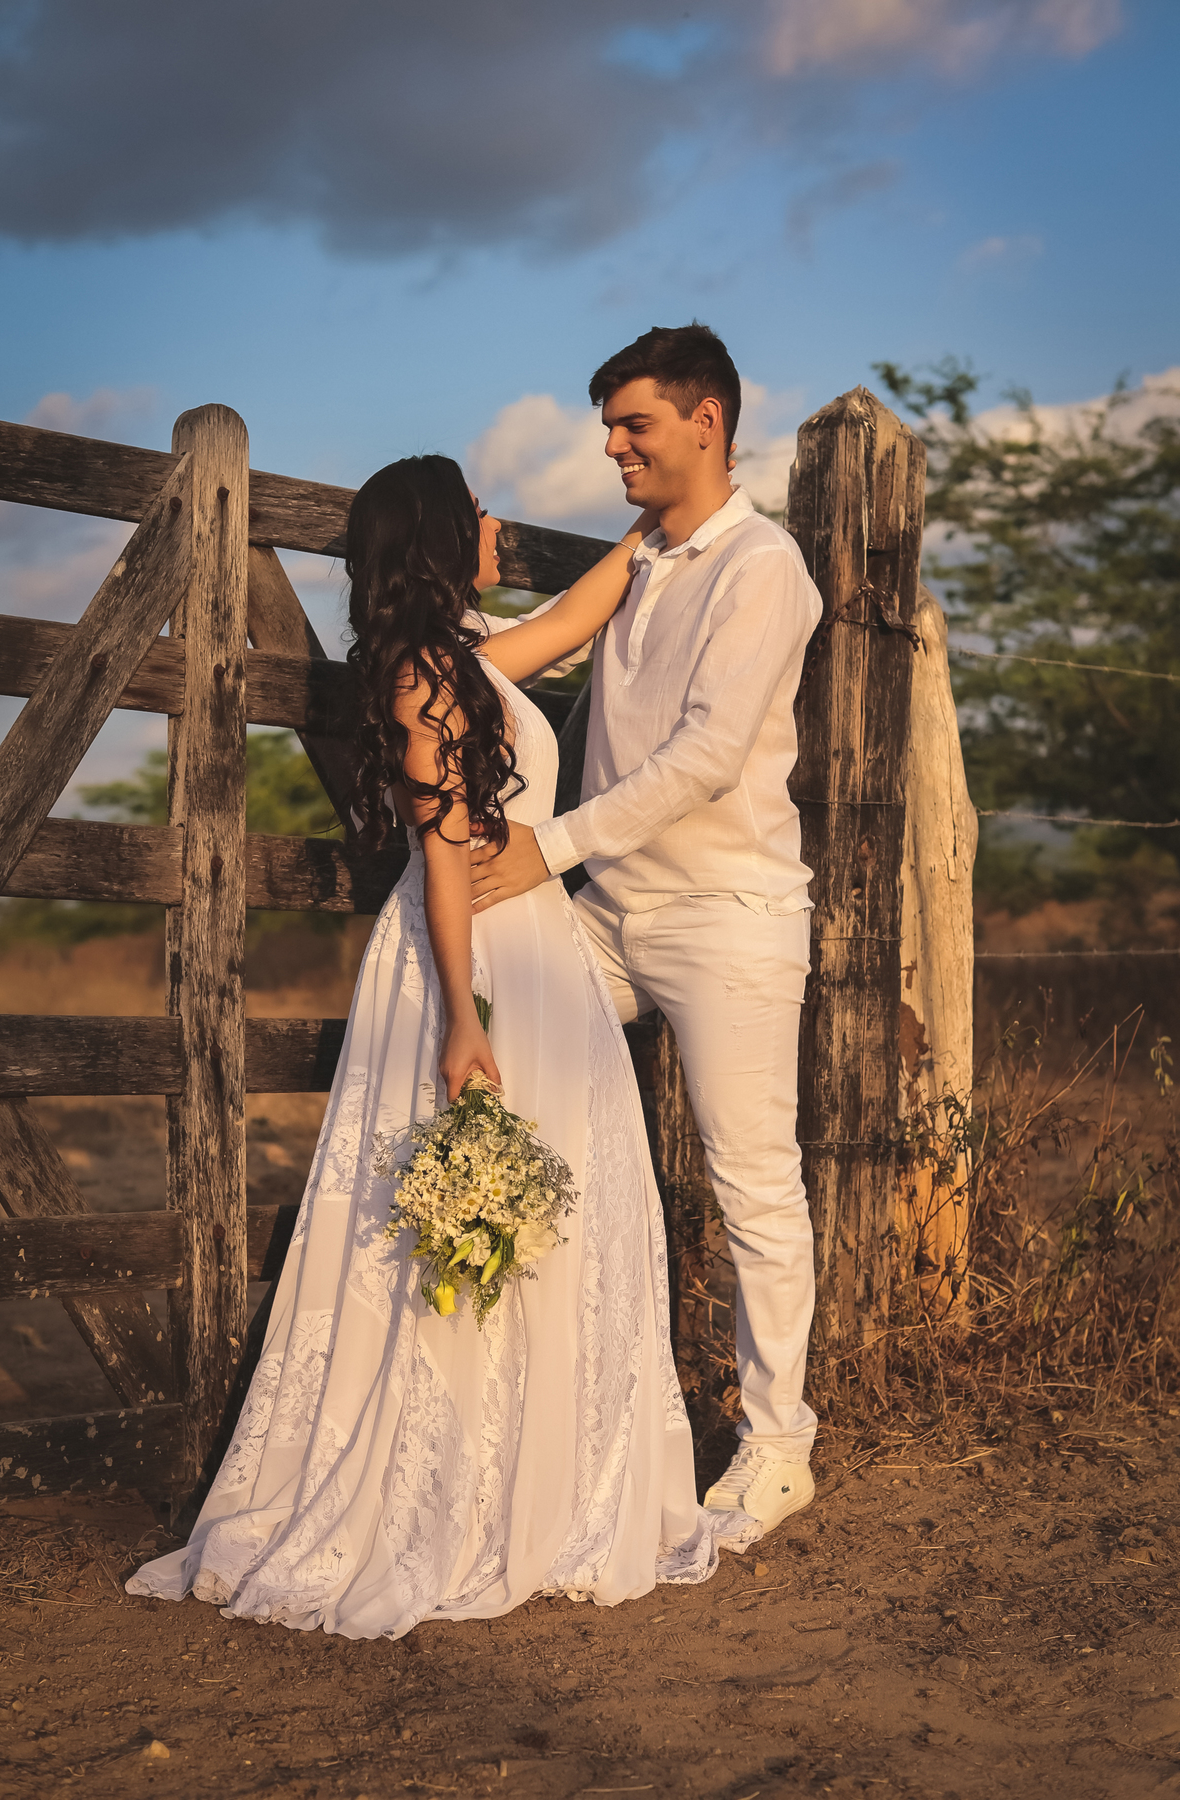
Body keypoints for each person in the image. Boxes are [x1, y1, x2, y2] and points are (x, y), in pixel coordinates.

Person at [127, 453, 750, 1641]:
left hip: (538, 949)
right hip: (479, 959)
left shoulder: (458, 661)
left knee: (560, 1208)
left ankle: (548, 1468)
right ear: (438, 535)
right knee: (462, 1211)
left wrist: (666, 515)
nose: (496, 523)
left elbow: (571, 619)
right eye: (475, 513)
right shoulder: (422, 678)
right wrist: (464, 1018)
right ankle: (468, 1489)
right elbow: (451, 857)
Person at [471, 324, 823, 1535]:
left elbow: (709, 758)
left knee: (753, 1186)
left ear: (707, 420)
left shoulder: (762, 566)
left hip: (728, 919)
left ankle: (780, 1446)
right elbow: (524, 652)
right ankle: (543, 1395)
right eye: (609, 428)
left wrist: (548, 851)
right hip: (613, 917)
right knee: (492, 1070)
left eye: (634, 425)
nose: (613, 446)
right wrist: (451, 591)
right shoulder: (646, 555)